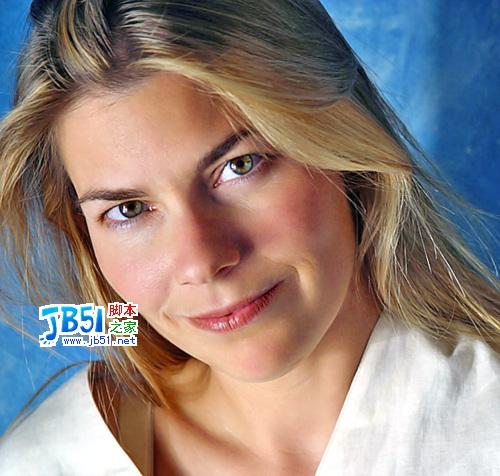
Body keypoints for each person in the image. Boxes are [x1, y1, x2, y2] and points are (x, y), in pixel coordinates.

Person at [0, 0, 498, 475]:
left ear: (341, 139)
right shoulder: (38, 464)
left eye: (240, 166)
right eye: (128, 210)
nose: (201, 262)